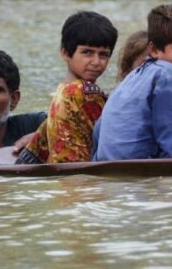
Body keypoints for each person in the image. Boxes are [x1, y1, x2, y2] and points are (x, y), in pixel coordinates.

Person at [92, 0, 172, 161]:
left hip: (106, 162)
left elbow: (100, 127)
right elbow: (169, 134)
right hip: (138, 164)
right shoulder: (167, 71)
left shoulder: (132, 78)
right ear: (154, 50)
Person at [16, 11, 118, 164]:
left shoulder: (62, 91)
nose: (96, 62)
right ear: (65, 53)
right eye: (87, 52)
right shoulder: (79, 91)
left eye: (103, 55)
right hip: (80, 179)